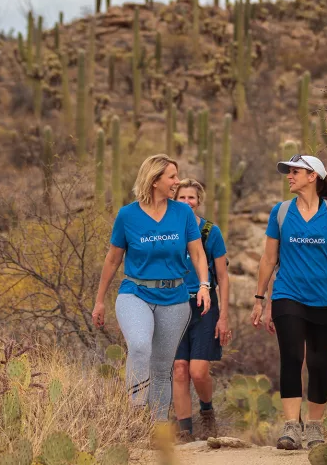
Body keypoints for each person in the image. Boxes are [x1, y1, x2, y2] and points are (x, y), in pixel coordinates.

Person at [92, 154, 211, 424]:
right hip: (135, 293)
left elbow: (197, 253)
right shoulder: (127, 215)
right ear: (155, 180)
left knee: (161, 367)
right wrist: (100, 301)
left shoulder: (182, 213)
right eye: (172, 176)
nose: (177, 182)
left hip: (175, 297)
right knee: (139, 345)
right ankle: (135, 412)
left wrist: (204, 285)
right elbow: (113, 259)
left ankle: (156, 427)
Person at [250, 154, 327, 451]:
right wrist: (260, 299)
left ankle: (315, 427)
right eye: (289, 171)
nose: (289, 176)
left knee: (319, 363)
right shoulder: (280, 212)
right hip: (287, 295)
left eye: (295, 171)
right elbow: (269, 258)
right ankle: (291, 427)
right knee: (293, 357)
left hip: (326, 298)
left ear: (313, 177)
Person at [262, 242, 327, 430]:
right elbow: (274, 270)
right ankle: (295, 421)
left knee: (321, 363)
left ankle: (316, 421)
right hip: (294, 303)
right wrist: (269, 305)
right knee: (296, 360)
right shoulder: (290, 233)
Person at [171, 179, 232, 442]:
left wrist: (224, 318)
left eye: (191, 198)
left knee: (198, 370)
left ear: (199, 201)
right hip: (172, 306)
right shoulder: (167, 231)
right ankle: (185, 430)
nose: (186, 202)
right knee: (179, 369)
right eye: (181, 197)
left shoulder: (210, 232)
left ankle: (206, 412)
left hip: (204, 307)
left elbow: (223, 277)